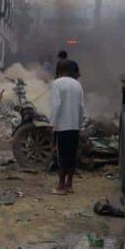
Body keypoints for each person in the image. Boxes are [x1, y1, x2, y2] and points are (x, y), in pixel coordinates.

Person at [49, 59, 84, 194]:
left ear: (59, 71)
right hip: (74, 126)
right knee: (71, 156)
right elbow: (81, 107)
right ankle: (69, 185)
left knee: (62, 157)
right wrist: (79, 124)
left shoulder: (56, 84)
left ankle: (60, 186)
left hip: (62, 127)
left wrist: (52, 123)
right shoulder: (77, 85)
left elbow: (56, 105)